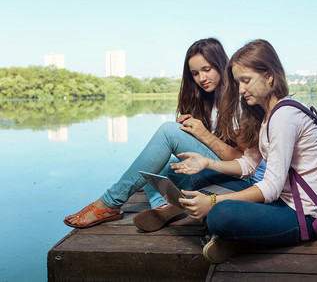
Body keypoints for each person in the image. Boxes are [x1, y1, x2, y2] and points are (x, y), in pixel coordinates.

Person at [64, 38, 264, 230]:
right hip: (217, 177)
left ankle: (109, 203)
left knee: (168, 132)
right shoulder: (209, 100)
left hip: (243, 185)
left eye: (207, 69)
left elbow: (246, 165)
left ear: (221, 65)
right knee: (153, 169)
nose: (201, 78)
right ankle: (163, 206)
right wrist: (190, 134)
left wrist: (202, 135)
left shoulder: (239, 102)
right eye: (195, 73)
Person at [170, 39, 317, 263]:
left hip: (302, 215)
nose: (240, 90)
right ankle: (239, 236)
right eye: (237, 82)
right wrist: (206, 162)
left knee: (219, 215)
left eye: (245, 81)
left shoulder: (284, 117)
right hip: (279, 203)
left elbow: (271, 187)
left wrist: (215, 202)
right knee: (200, 178)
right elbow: (247, 165)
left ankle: (235, 234)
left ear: (269, 76)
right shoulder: (264, 115)